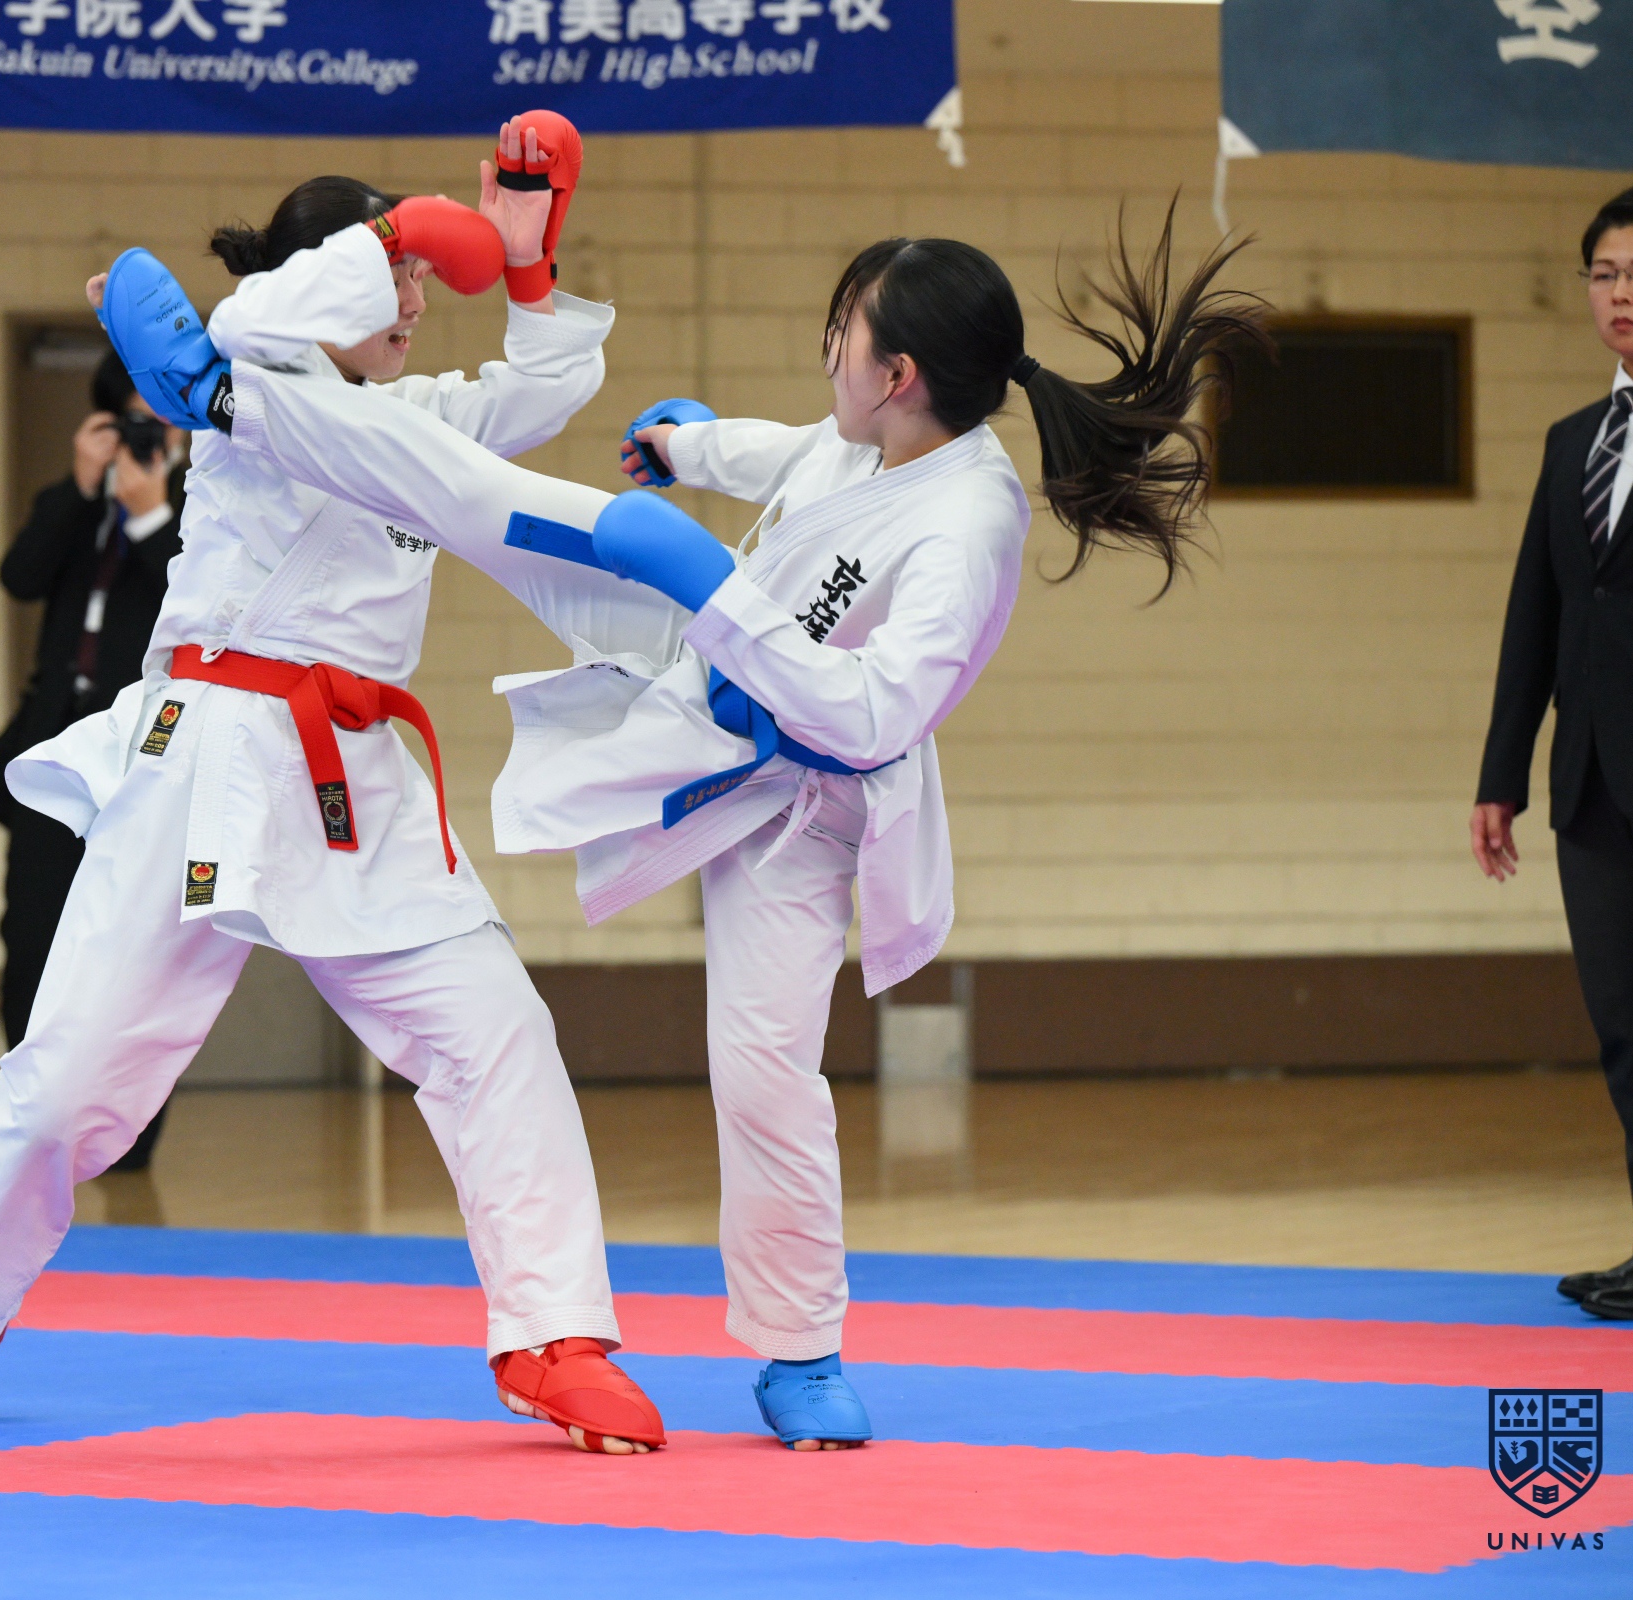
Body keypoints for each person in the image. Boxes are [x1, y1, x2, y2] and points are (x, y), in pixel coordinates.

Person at [188, 204, 1261, 1446]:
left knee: (763, 1070)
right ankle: (238, 403)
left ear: (898, 376)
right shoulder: (874, 443)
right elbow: (792, 453)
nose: (827, 350)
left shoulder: (969, 525)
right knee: (501, 517)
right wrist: (691, 447)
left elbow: (875, 714)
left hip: (807, 797)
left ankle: (802, 1351)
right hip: (706, 674)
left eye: (843, 333)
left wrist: (712, 587)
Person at [0, 115, 673, 1458]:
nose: (413, 302)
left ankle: (555, 1335)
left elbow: (546, 387)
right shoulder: (244, 376)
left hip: (357, 777)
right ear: (326, 278)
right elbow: (256, 315)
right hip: (208, 751)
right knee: (71, 1074)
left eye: (418, 281)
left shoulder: (420, 420)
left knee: (495, 1029)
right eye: (392, 277)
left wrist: (527, 261)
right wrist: (405, 228)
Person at [1475, 180, 1633, 1323]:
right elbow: (1535, 618)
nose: (1619, 294)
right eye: (1604, 275)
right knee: (1628, 1024)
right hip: (1589, 780)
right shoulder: (1572, 441)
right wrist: (1502, 775)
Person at [0, 352, 185, 1171]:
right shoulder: (71, 503)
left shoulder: (207, 510)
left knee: (138, 957)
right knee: (29, 941)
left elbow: (199, 604)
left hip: (146, 765)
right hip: (54, 759)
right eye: (133, 416)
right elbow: (20, 576)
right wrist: (79, 486)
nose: (148, 432)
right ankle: (22, 1134)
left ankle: (125, 1141)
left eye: (163, 413)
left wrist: (150, 515)